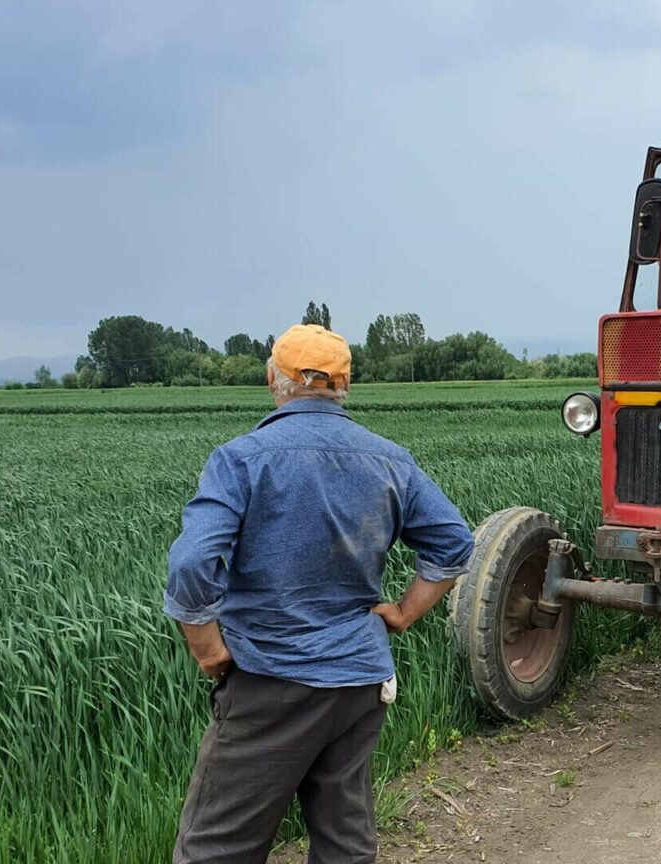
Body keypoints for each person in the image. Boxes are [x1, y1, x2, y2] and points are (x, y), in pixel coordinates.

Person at [163, 324, 475, 863]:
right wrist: (401, 613)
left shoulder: (241, 459)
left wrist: (209, 650)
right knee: (344, 843)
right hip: (358, 681)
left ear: (274, 380)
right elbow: (452, 545)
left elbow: (192, 562)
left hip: (270, 679)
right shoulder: (390, 459)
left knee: (218, 847)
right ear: (344, 386)